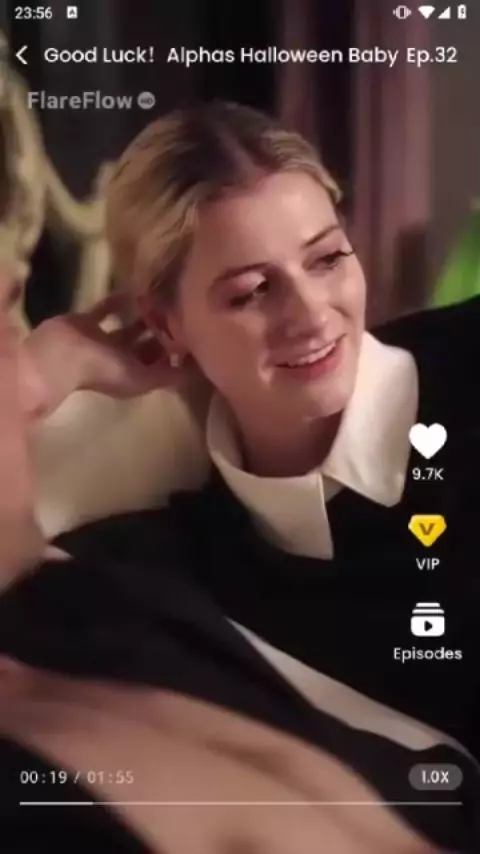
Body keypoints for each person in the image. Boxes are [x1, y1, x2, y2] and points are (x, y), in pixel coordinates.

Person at [0, 101, 479, 852]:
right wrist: (36, 375)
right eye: (253, 290)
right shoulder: (166, 573)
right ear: (166, 325)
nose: (311, 315)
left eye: (327, 258)